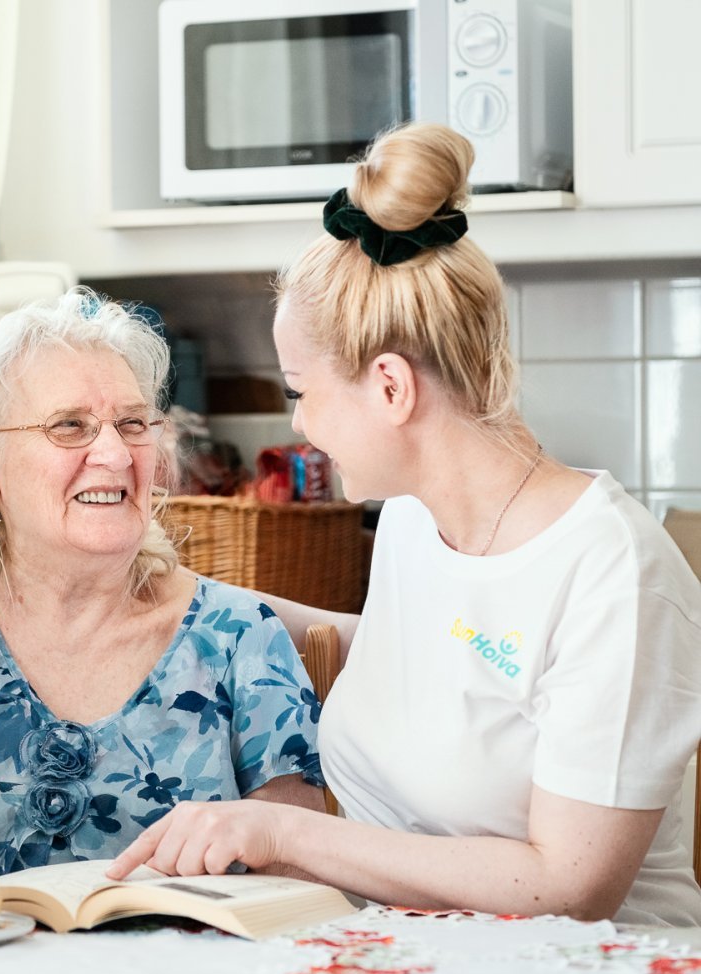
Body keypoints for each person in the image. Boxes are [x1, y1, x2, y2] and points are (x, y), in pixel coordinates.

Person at [107, 122, 701, 927]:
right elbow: (437, 662)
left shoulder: (615, 575)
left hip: (591, 971)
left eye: (299, 391)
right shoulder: (414, 520)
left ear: (390, 388)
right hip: (408, 953)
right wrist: (193, 600)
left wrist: (284, 833)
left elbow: (567, 885)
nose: (298, 424)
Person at [0, 288, 325, 873]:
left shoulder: (240, 636)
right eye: (70, 426)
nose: (116, 454)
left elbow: (301, 878)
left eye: (132, 423)